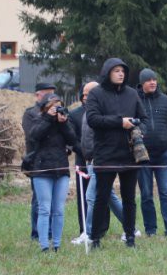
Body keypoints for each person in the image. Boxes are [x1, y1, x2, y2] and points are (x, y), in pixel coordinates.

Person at [85, 57, 147, 248]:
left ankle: (130, 237)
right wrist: (120, 122)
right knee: (101, 198)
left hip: (129, 154)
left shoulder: (132, 94)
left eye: (123, 70)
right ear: (107, 72)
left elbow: (143, 118)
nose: (121, 73)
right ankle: (95, 238)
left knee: (129, 199)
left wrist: (139, 130)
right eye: (116, 70)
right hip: (106, 154)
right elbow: (93, 119)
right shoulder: (96, 93)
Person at [25, 93, 77, 252]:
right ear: (46, 108)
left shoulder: (63, 123)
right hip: (42, 170)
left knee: (59, 210)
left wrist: (64, 123)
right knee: (44, 208)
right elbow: (34, 136)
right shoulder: (38, 119)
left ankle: (56, 244)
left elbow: (73, 140)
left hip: (61, 169)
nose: (57, 110)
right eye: (54, 107)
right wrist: (48, 118)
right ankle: (44, 245)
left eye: (59, 106)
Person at [136, 68, 167, 237]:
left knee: (166, 193)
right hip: (142, 157)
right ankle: (151, 231)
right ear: (142, 83)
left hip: (163, 155)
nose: (153, 82)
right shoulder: (135, 101)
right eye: (148, 80)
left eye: (154, 79)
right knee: (146, 195)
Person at [22, 82, 57, 240]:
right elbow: (32, 135)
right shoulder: (30, 113)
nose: (50, 98)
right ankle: (37, 232)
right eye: (46, 94)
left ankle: (50, 231)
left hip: (55, 160)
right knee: (39, 199)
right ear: (38, 95)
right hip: (37, 161)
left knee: (54, 200)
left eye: (53, 94)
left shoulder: (56, 112)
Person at [68, 82, 91, 240]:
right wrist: (85, 151)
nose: (88, 97)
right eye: (86, 94)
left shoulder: (102, 112)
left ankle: (100, 228)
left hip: (100, 160)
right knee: (83, 197)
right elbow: (72, 138)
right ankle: (84, 229)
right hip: (82, 161)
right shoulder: (74, 114)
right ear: (81, 96)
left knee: (102, 196)